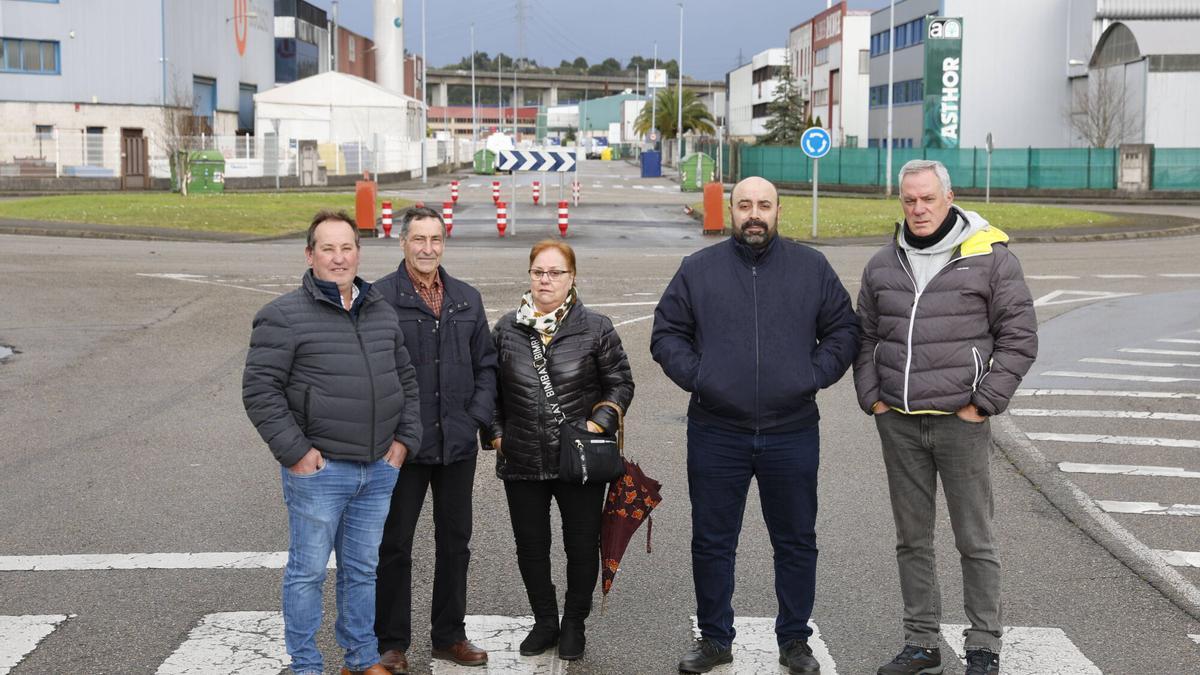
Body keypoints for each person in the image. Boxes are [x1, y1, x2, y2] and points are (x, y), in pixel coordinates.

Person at [651, 176, 860, 675]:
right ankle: (715, 639)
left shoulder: (811, 267)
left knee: (795, 540)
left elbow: (843, 330)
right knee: (712, 541)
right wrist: (702, 378)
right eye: (744, 205)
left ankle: (795, 640)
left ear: (778, 211)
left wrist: (810, 376)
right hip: (716, 430)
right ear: (731, 210)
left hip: (792, 430)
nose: (754, 214)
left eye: (764, 205)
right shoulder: (698, 269)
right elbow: (667, 334)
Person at [854, 160, 1037, 675]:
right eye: (909, 200)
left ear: (949, 197)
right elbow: (864, 337)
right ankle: (922, 644)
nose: (919, 209)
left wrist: (984, 403)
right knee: (912, 540)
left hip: (961, 423)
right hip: (900, 422)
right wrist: (873, 398)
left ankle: (983, 645)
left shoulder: (990, 258)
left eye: (928, 198)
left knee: (974, 540)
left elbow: (1020, 338)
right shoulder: (883, 263)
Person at [243, 210, 422, 675]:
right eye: (328, 248)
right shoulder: (283, 315)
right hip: (320, 472)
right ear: (310, 255)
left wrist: (403, 443)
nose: (339, 258)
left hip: (378, 468)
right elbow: (260, 391)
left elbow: (405, 379)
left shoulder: (379, 309)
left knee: (362, 571)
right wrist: (297, 454)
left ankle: (361, 659)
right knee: (307, 574)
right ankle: (305, 665)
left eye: (347, 248)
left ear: (358, 253)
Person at [484, 240, 634, 662]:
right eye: (538, 272)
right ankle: (545, 621)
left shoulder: (596, 327)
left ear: (572, 278)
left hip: (579, 460)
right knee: (531, 547)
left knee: (581, 546)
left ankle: (573, 624)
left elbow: (620, 383)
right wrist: (497, 436)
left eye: (555, 273)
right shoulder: (506, 329)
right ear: (530, 275)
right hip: (522, 457)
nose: (545, 280)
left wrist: (597, 425)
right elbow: (487, 391)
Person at [373, 206, 498, 673]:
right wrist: (391, 434)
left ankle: (449, 636)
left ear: (444, 243)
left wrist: (475, 419)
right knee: (395, 545)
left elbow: (486, 366)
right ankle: (391, 643)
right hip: (403, 447)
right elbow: (374, 372)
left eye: (435, 239)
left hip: (456, 443)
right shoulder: (380, 298)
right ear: (402, 242)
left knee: (455, 543)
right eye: (419, 239)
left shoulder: (466, 298)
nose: (428, 248)